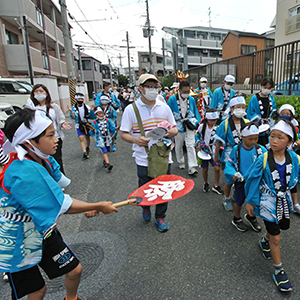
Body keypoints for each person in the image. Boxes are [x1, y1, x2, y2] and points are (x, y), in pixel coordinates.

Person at [0, 108, 118, 300]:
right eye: (50, 135)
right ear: (28, 142)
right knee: (37, 290)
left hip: (42, 230)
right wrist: (95, 206)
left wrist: (90, 206)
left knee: (74, 270)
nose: (57, 139)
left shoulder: (43, 159)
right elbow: (62, 204)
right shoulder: (22, 170)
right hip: (17, 238)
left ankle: (71, 298)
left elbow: (61, 195)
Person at [245, 119, 300, 292]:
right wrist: (251, 202)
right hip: (268, 201)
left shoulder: (295, 159)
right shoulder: (263, 159)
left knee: (279, 228)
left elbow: (294, 182)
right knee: (276, 238)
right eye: (272, 136)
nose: (274, 141)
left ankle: (264, 240)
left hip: (284, 201)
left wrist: (294, 201)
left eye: (280, 137)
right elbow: (252, 180)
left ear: (290, 141)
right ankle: (279, 271)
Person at [120, 74, 178, 232]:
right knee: (145, 187)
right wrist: (135, 140)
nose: (152, 90)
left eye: (155, 87)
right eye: (148, 87)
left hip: (164, 156)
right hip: (142, 157)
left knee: (164, 188)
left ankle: (160, 216)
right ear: (140, 88)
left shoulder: (164, 107)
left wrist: (168, 132)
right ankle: (145, 206)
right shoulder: (131, 110)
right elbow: (123, 133)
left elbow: (174, 128)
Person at [224, 122, 267, 232]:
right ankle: (237, 218)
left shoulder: (261, 149)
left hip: (254, 182)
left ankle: (251, 216)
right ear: (242, 137)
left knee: (253, 200)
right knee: (239, 201)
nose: (253, 141)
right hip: (241, 181)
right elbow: (230, 163)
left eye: (256, 138)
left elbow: (267, 162)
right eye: (250, 139)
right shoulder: (236, 149)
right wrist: (233, 174)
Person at [25, 84, 71, 174]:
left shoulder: (54, 107)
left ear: (46, 93)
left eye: (41, 91)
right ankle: (47, 179)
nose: (39, 93)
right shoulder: (30, 108)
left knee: (57, 159)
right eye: (36, 91)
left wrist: (62, 123)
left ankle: (60, 179)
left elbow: (60, 118)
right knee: (42, 160)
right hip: (38, 139)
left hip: (55, 137)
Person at [214, 96, 249, 211]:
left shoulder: (247, 123)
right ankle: (226, 198)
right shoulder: (225, 124)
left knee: (241, 177)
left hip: (244, 154)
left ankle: (235, 194)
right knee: (230, 179)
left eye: (243, 107)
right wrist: (216, 156)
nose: (241, 109)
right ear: (231, 108)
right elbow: (218, 142)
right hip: (230, 154)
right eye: (238, 107)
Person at [167, 81, 201, 175]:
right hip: (177, 125)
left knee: (190, 145)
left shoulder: (191, 99)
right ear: (179, 90)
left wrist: (197, 122)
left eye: (188, 91)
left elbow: (195, 112)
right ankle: (181, 161)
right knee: (179, 145)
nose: (186, 93)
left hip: (189, 123)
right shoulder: (172, 99)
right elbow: (168, 113)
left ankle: (192, 167)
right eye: (184, 91)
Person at [195, 109, 223, 194]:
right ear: (207, 119)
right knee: (204, 169)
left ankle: (216, 185)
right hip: (204, 151)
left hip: (214, 150)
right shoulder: (202, 127)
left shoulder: (218, 128)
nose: (213, 122)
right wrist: (199, 143)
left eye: (215, 120)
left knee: (217, 168)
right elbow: (196, 135)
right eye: (211, 120)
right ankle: (206, 183)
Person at [246, 77, 276, 147]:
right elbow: (250, 112)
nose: (267, 90)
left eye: (269, 88)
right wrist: (259, 120)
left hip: (268, 126)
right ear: (261, 86)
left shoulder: (271, 98)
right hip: (257, 127)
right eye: (265, 87)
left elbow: (273, 110)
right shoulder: (254, 98)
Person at [68, 93, 95, 159]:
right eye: (78, 99)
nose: (80, 100)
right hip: (79, 125)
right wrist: (71, 112)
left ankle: (87, 147)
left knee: (87, 138)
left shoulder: (87, 107)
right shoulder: (73, 108)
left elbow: (91, 116)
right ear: (75, 99)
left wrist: (92, 111)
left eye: (81, 99)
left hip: (86, 124)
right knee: (81, 138)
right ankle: (84, 152)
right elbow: (74, 118)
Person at [89, 106, 115, 171]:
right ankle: (108, 164)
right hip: (100, 138)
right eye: (99, 113)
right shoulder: (94, 122)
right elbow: (91, 130)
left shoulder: (107, 120)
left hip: (107, 137)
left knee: (108, 149)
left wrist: (114, 130)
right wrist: (93, 130)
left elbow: (112, 127)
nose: (101, 115)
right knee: (104, 150)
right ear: (96, 114)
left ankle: (104, 160)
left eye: (102, 113)